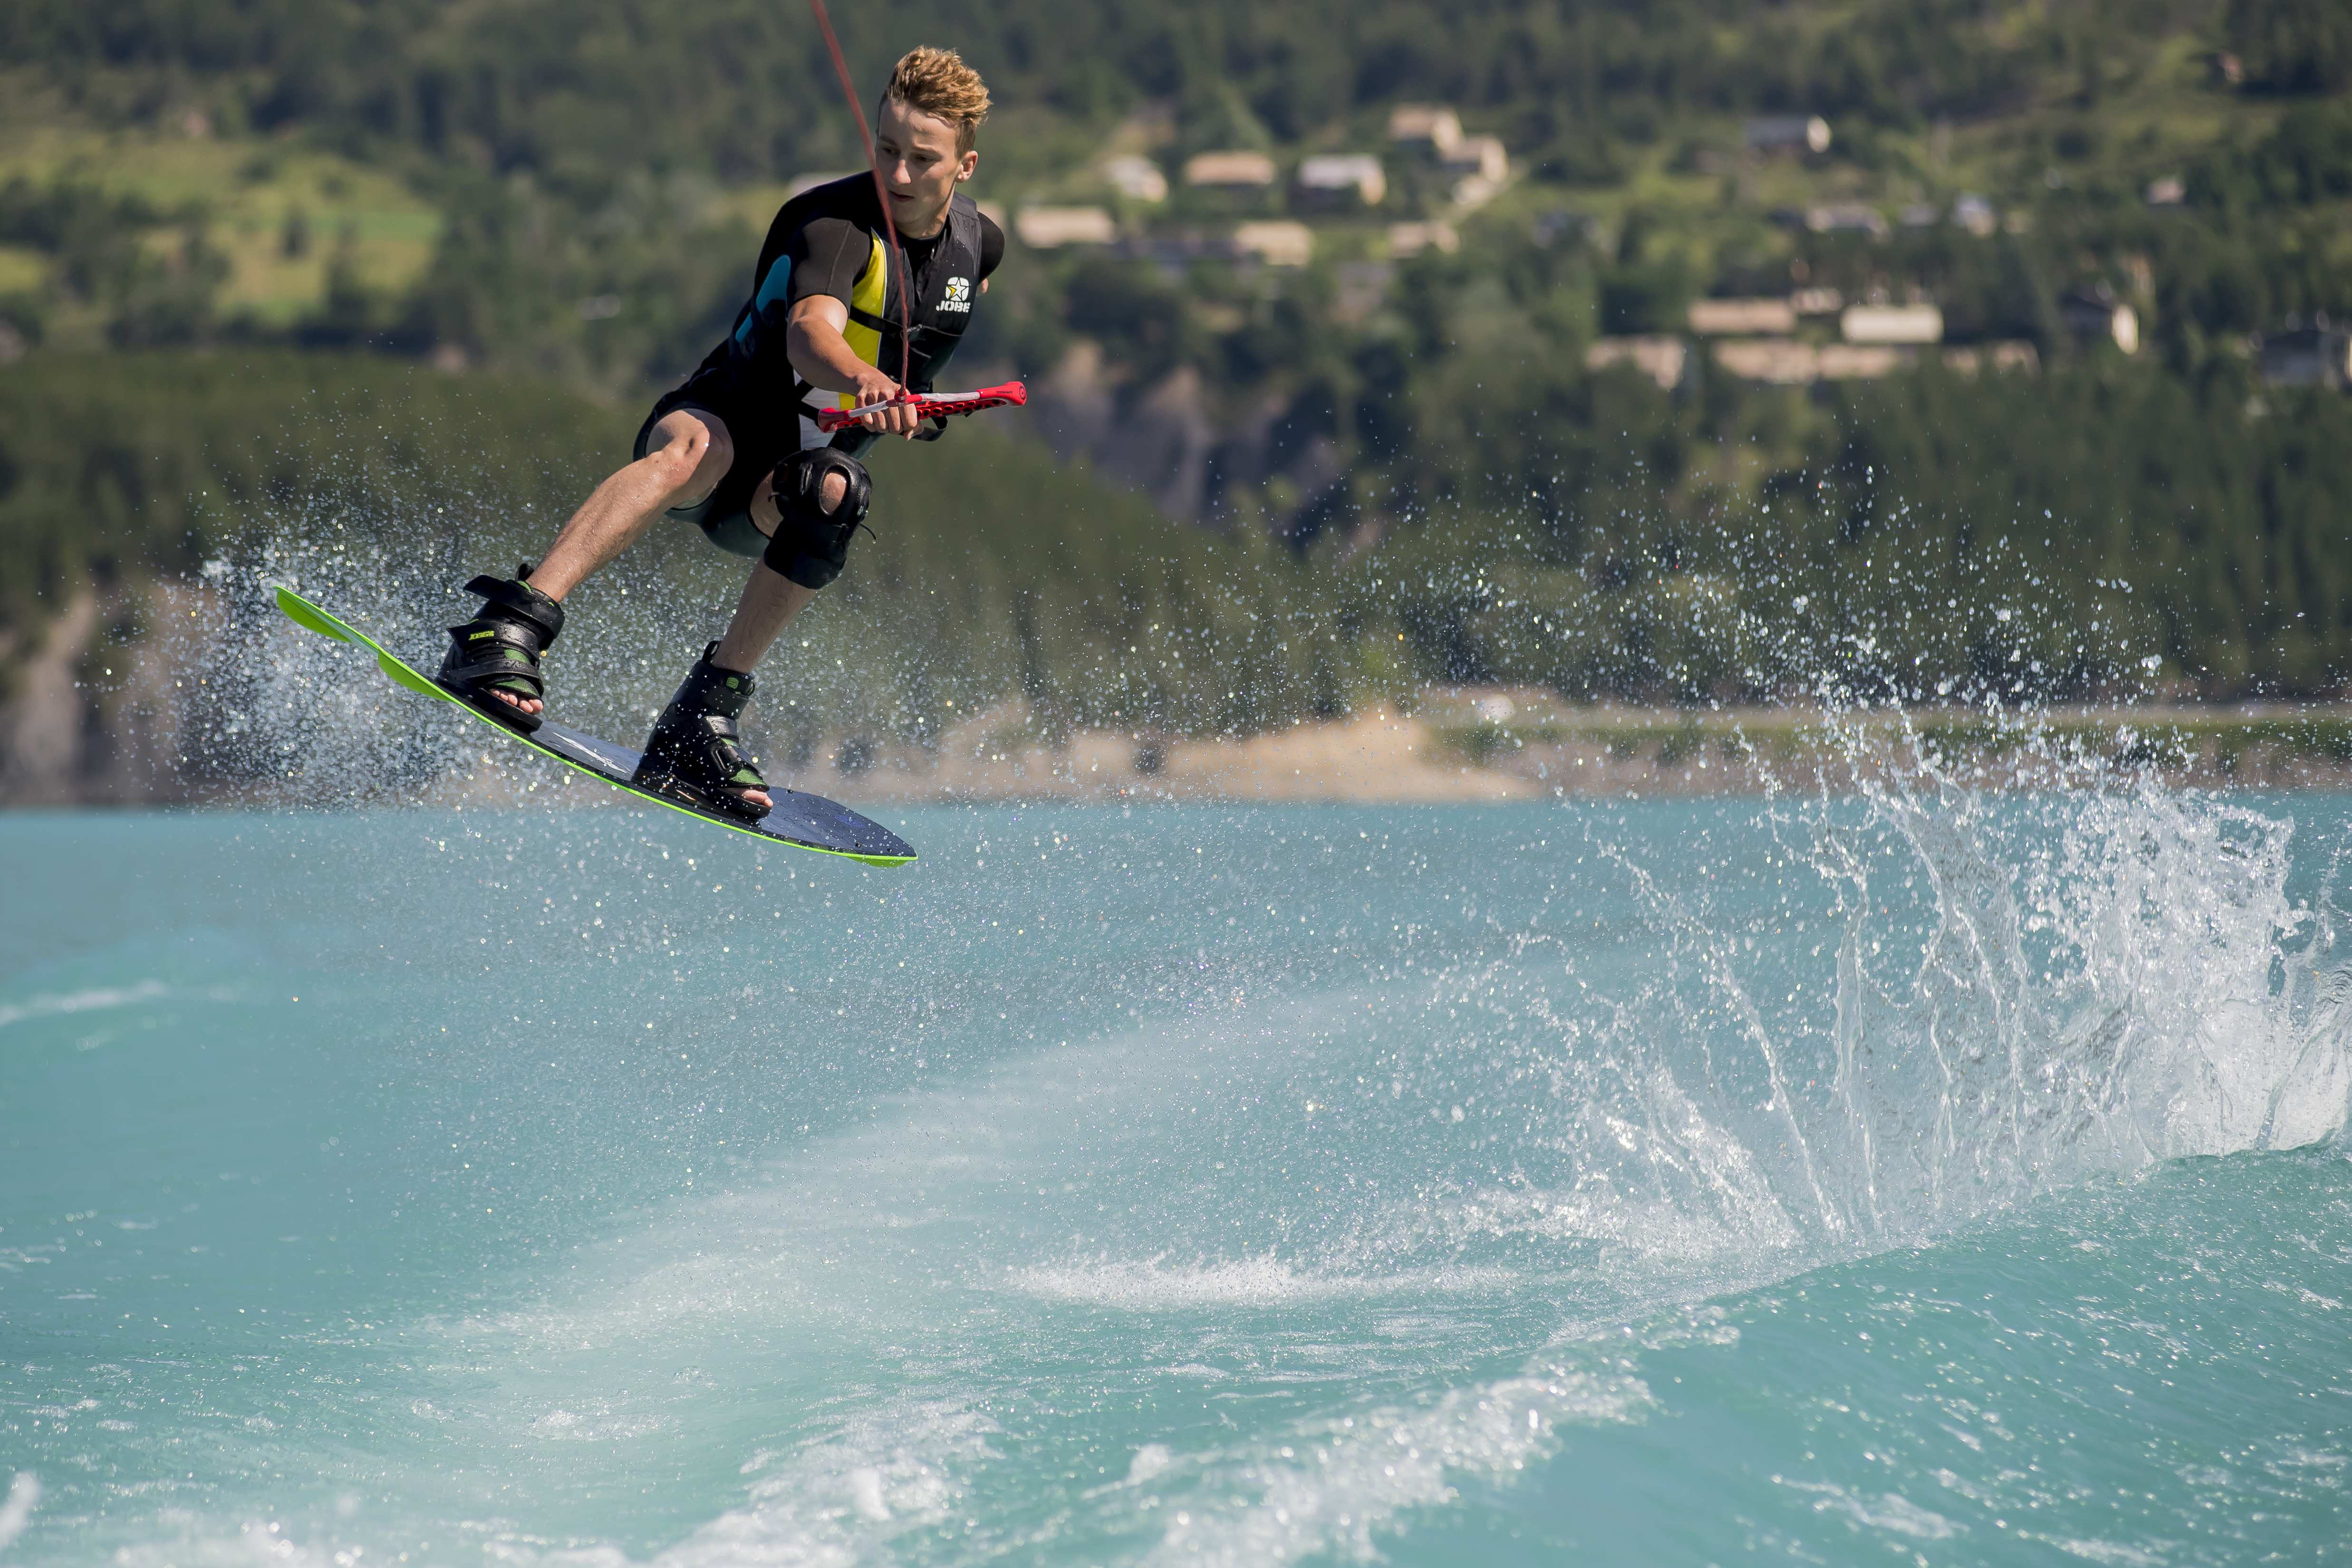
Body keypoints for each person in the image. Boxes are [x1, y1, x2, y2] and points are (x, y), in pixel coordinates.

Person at [436, 46, 1002, 819]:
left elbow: (916, 348)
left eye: (923, 160)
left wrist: (917, 409)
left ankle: (701, 719)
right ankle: (507, 628)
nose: (899, 176)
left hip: (774, 495)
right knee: (700, 447)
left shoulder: (979, 250)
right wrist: (865, 381)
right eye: (888, 150)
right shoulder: (834, 224)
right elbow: (812, 332)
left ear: (965, 165)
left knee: (838, 491)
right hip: (711, 425)